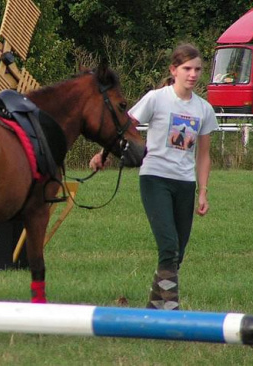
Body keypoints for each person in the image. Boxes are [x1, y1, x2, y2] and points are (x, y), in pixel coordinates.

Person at [90, 43, 218, 310]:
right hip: (155, 178)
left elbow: (203, 154)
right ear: (174, 70)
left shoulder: (204, 109)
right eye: (187, 69)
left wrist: (203, 191)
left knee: (177, 253)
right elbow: (125, 127)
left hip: (185, 184)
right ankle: (171, 312)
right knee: (168, 245)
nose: (193, 74)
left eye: (197, 69)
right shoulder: (156, 98)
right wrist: (103, 155)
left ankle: (154, 308)